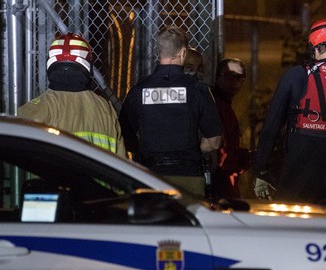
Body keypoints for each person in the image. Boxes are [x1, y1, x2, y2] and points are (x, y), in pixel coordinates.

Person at [253, 18, 326, 207]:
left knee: (290, 222)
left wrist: (261, 169)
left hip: (298, 171)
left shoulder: (296, 75)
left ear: (313, 47)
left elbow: (272, 125)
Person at [119, 25, 222, 196]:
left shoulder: (138, 90)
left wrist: (145, 148)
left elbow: (124, 136)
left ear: (159, 51)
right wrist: (193, 149)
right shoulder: (198, 90)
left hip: (148, 177)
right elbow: (214, 141)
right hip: (188, 176)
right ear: (183, 52)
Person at [18, 32, 126, 158]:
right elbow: (121, 160)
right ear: (88, 66)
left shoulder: (36, 108)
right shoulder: (106, 109)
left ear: (50, 64)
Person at [212, 58, 253, 198]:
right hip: (220, 178)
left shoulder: (224, 104)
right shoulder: (217, 105)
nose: (234, 82)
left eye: (239, 78)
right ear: (217, 77)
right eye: (229, 76)